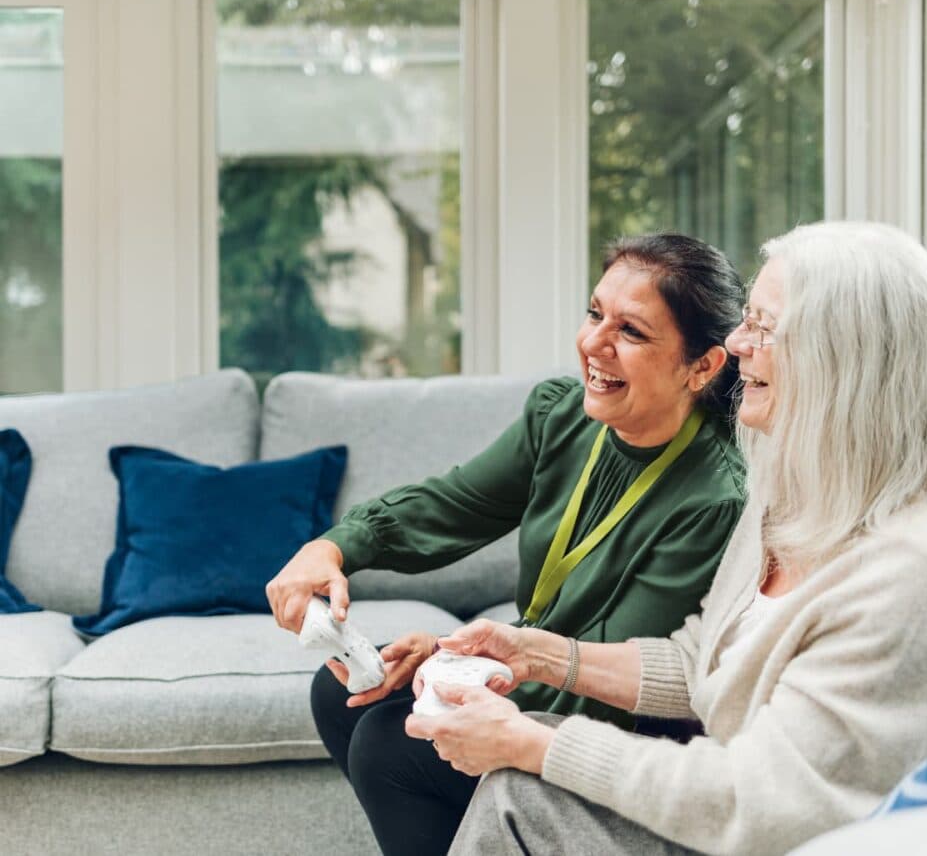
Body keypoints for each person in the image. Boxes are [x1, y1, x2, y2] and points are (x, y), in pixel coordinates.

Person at [406, 221, 927, 856]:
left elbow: (766, 802)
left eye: (765, 328)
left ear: (844, 359)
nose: (738, 342)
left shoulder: (918, 570)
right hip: (747, 803)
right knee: (510, 771)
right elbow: (707, 663)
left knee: (518, 789)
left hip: (796, 835)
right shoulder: (794, 489)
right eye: (748, 317)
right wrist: (537, 654)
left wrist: (533, 743)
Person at [265, 232, 747, 855]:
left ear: (703, 366)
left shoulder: (713, 499)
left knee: (391, 742)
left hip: (615, 724)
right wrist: (331, 549)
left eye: (631, 332)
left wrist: (447, 665)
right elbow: (455, 504)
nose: (593, 343)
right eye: (595, 313)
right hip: (530, 666)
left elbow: (603, 669)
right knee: (345, 691)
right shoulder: (563, 416)